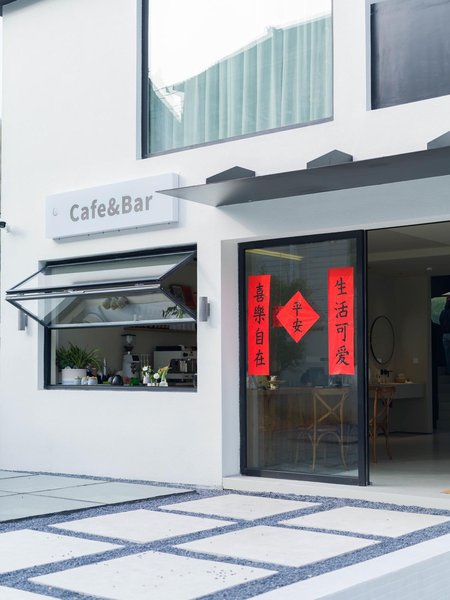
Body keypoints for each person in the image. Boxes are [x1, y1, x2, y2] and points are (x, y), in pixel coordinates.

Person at [439, 298, 450, 374]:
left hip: (445, 335)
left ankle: (449, 371)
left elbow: (441, 322)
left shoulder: (443, 312)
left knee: (447, 355)